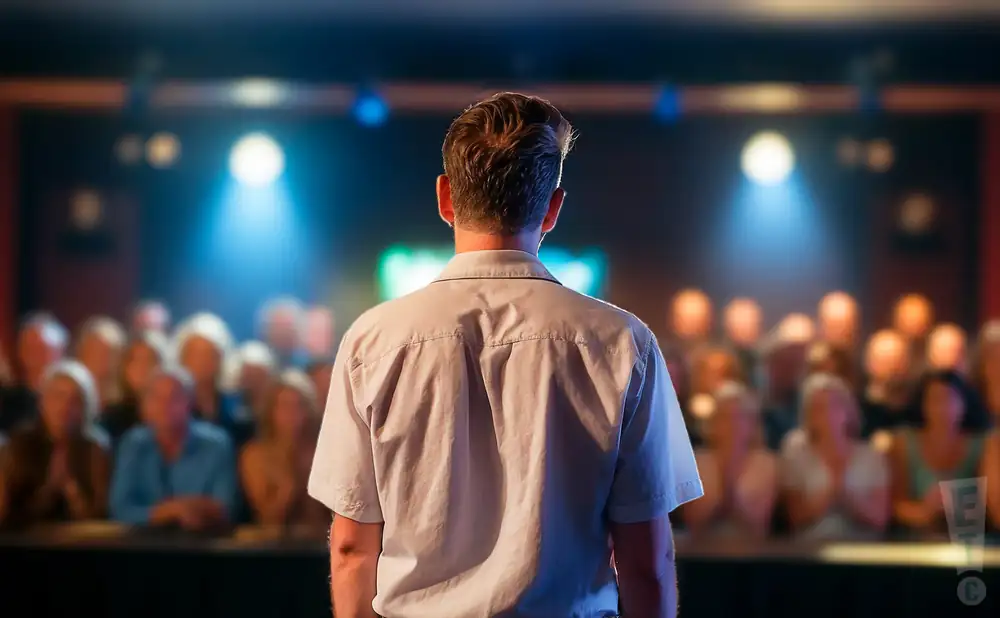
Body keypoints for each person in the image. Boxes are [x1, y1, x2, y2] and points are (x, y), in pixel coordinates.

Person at [308, 93, 702, 618]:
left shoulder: (372, 342)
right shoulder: (622, 343)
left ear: (445, 198)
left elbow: (353, 548)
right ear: (554, 209)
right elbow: (645, 561)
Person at [110, 365, 236, 531]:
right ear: (144, 405)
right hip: (140, 547)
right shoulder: (133, 444)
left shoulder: (216, 444)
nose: (165, 405)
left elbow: (225, 509)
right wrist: (173, 511)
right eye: (156, 398)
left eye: (175, 397)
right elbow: (120, 510)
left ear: (190, 403)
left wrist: (154, 512)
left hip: (200, 547)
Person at [0, 360, 110, 528]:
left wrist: (71, 492)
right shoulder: (21, 443)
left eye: (75, 400)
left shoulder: (95, 448)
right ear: (42, 401)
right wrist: (48, 490)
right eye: (58, 396)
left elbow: (101, 516)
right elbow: (9, 514)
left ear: (86, 408)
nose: (65, 406)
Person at [780, 374, 889, 540]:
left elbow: (880, 519)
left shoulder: (871, 456)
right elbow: (795, 517)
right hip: (810, 550)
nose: (827, 414)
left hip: (863, 551)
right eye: (818, 408)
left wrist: (847, 499)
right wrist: (828, 497)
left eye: (834, 405)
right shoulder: (797, 455)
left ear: (848, 410)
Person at [890, 371, 989, 534]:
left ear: (964, 403)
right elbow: (895, 504)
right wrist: (925, 511)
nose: (944, 408)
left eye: (951, 399)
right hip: (913, 541)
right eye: (935, 400)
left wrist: (955, 505)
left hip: (968, 539)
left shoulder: (981, 445)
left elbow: (990, 505)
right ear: (923, 404)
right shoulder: (903, 443)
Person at [681, 382, 777, 539]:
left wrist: (729, 490)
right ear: (712, 423)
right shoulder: (698, 462)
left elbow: (758, 524)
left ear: (752, 424)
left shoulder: (766, 464)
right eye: (724, 417)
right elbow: (694, 522)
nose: (732, 425)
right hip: (702, 552)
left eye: (740, 417)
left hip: (752, 553)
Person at [240, 370, 327, 529]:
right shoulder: (254, 455)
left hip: (320, 546)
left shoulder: (325, 452)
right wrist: (290, 473)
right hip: (273, 548)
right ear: (270, 411)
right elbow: (269, 518)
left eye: (299, 406)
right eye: (284, 406)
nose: (292, 415)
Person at [0, 313, 69, 433]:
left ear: (60, 354)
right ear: (20, 352)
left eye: (43, 350)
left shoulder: (71, 401)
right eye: (30, 349)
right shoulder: (6, 401)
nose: (36, 358)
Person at [101, 331, 170, 446]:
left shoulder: (176, 413)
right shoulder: (111, 419)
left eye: (149, 360)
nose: (142, 368)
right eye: (135, 361)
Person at [75, 316, 128, 409]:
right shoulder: (73, 397)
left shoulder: (124, 404)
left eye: (107, 354)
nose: (100, 360)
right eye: (94, 352)